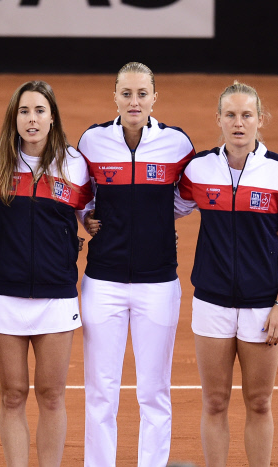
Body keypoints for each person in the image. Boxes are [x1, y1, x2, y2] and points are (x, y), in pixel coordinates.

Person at [175, 82, 278, 466]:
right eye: (230, 115)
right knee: (214, 401)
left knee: (260, 402)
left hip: (263, 306)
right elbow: (167, 207)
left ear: (259, 119)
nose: (238, 123)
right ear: (218, 119)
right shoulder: (199, 169)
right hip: (211, 303)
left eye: (246, 115)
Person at [78, 62, 195, 467]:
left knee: (153, 391)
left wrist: (162, 218)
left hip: (159, 283)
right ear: (115, 97)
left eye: (142, 93)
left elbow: (188, 194)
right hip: (103, 282)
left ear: (154, 98)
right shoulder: (92, 141)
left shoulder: (177, 144)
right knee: (101, 390)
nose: (134, 101)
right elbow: (79, 192)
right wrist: (84, 217)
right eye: (126, 93)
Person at [0, 81, 92, 466]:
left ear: (52, 117)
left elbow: (93, 218)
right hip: (5, 293)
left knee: (52, 395)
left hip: (57, 295)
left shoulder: (75, 165)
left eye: (39, 110)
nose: (31, 119)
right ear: (15, 117)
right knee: (12, 394)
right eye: (24, 111)